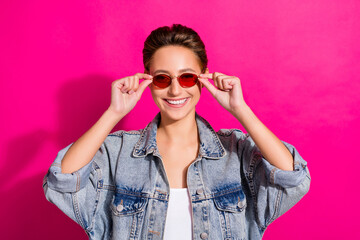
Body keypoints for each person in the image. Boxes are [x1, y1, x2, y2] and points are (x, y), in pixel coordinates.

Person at [43, 23, 311, 240]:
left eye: (187, 77)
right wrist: (113, 114)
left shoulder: (235, 151)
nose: (174, 90)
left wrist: (240, 109)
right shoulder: (117, 152)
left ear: (203, 79)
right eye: (162, 78)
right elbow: (62, 183)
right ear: (147, 80)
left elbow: (292, 178)